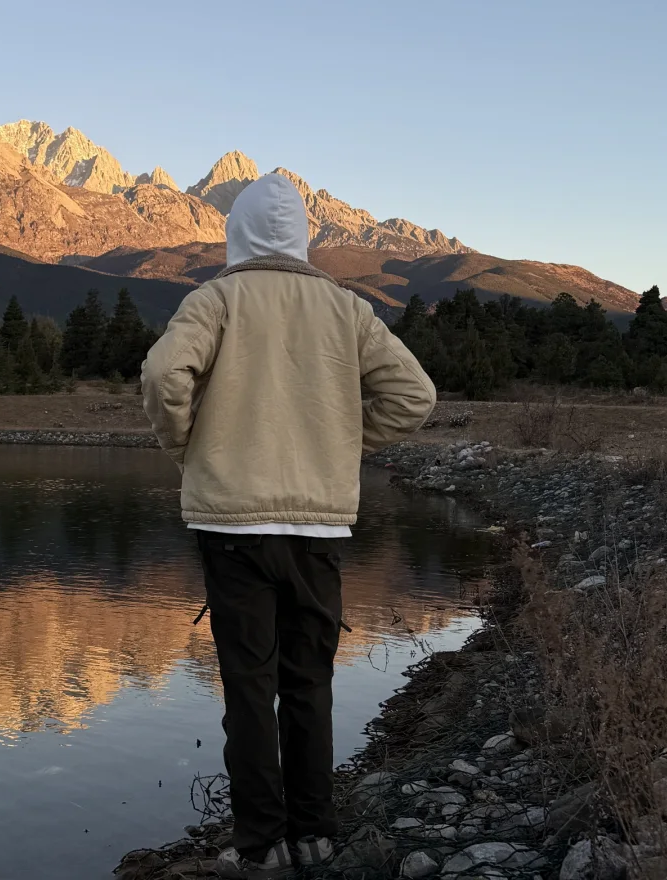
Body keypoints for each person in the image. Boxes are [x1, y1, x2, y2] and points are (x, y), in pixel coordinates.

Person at [142, 173, 436, 877]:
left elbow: (162, 377)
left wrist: (186, 447)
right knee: (309, 683)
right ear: (303, 237)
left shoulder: (215, 298)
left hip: (233, 529)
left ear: (235, 234)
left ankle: (259, 846)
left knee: (249, 689)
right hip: (317, 532)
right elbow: (414, 396)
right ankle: (315, 835)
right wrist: (337, 444)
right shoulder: (345, 307)